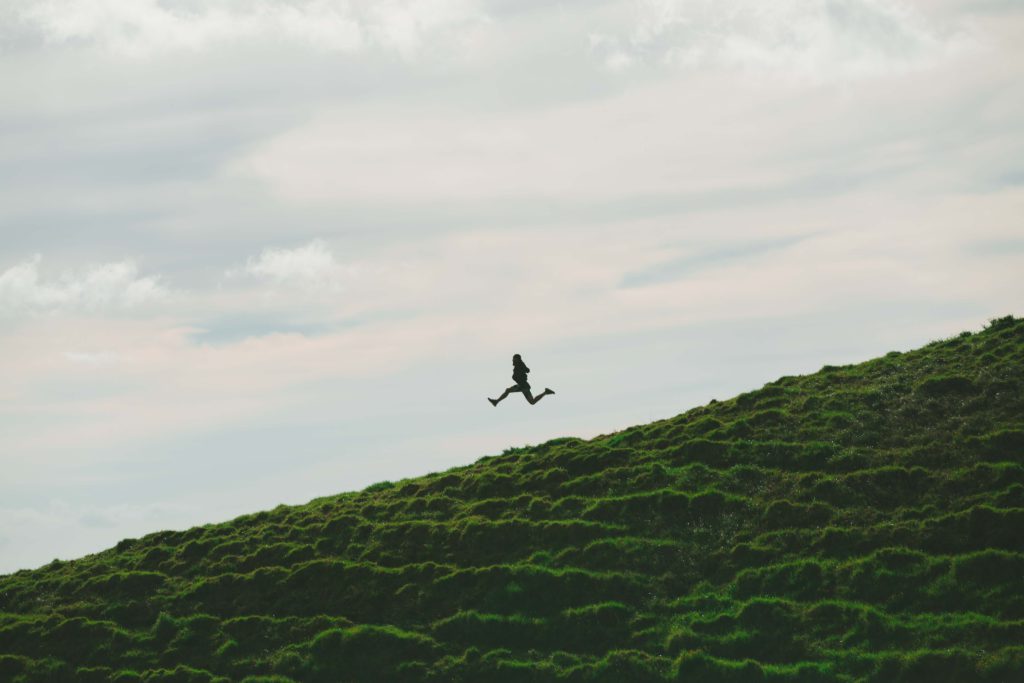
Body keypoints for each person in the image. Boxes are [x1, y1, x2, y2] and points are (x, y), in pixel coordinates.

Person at [489, 354, 555, 406]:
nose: (512, 360)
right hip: (522, 385)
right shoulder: (519, 365)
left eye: (514, 359)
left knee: (509, 391)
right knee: (531, 401)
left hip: (523, 386)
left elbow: (526, 370)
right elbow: (527, 370)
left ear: (517, 359)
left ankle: (496, 401)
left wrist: (523, 370)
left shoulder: (519, 365)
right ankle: (546, 392)